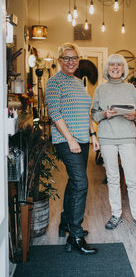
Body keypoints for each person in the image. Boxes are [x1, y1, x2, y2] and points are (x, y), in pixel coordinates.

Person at [45, 42, 99, 254]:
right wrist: (71, 140)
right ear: (59, 61)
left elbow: (85, 112)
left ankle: (65, 222)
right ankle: (75, 236)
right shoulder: (53, 83)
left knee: (74, 182)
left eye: (74, 58)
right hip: (66, 141)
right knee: (81, 183)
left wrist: (93, 135)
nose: (71, 62)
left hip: (83, 140)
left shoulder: (79, 82)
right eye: (66, 58)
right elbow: (55, 114)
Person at [91, 54, 136, 234]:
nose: (115, 68)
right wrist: (104, 115)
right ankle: (116, 214)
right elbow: (94, 114)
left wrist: (134, 116)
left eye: (119, 65)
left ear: (123, 69)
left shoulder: (131, 88)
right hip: (107, 138)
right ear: (107, 69)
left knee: (132, 178)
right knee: (113, 178)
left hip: (127, 137)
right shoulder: (100, 89)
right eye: (112, 65)